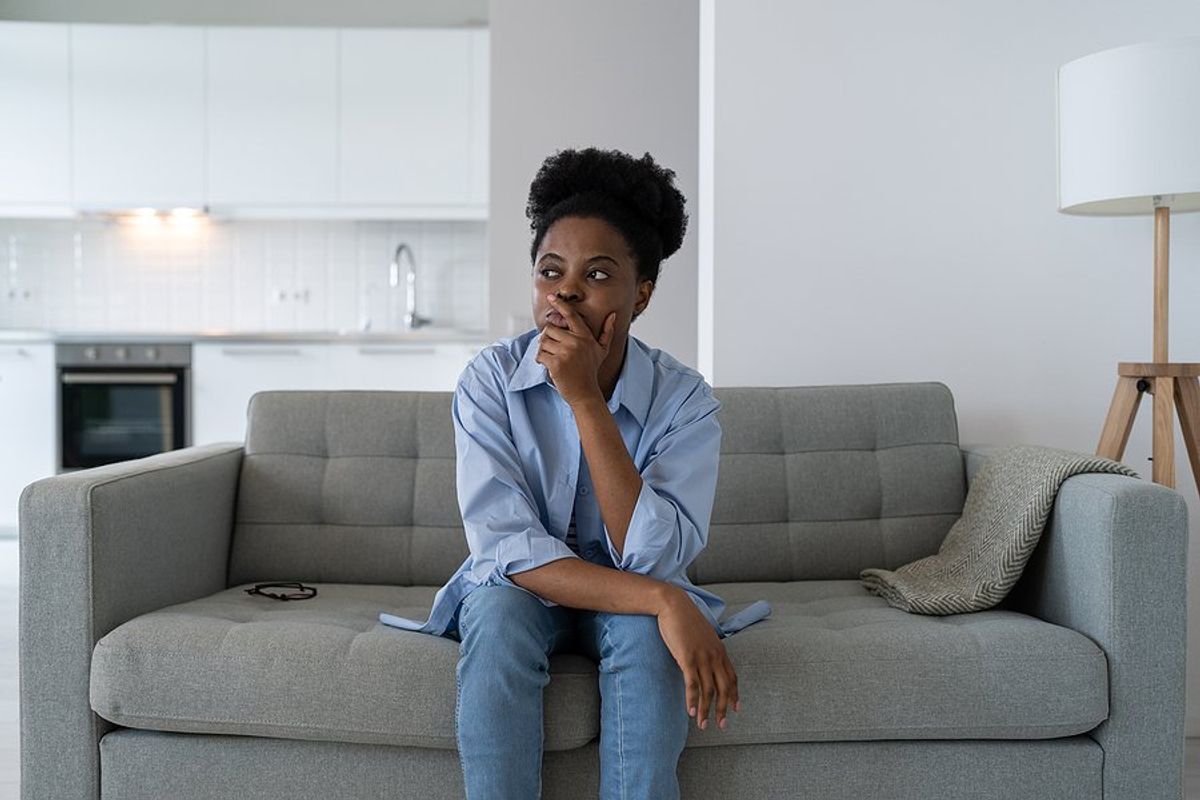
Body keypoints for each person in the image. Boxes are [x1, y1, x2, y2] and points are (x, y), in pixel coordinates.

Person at [379, 146, 771, 799]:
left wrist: (587, 400)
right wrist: (666, 599)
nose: (564, 289)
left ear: (640, 294)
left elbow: (649, 556)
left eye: (596, 274)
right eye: (549, 271)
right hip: (526, 590)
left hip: (629, 593)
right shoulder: (489, 381)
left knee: (649, 639)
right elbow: (506, 550)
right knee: (499, 615)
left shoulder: (684, 401)